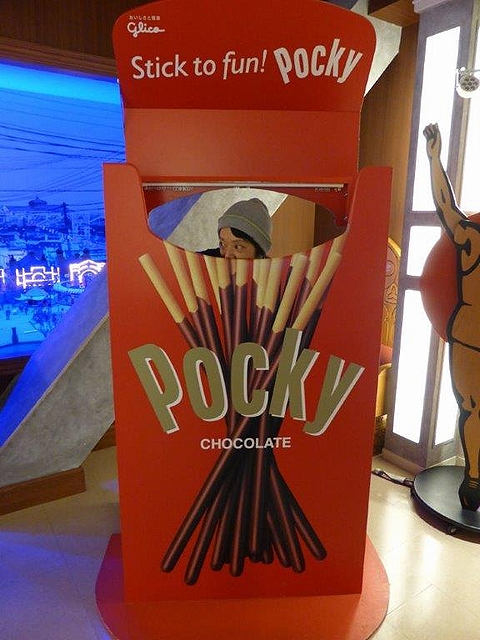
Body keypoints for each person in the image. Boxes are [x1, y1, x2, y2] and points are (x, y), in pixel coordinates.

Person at [424, 122, 480, 510]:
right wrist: (434, 160)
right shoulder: (472, 237)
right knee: (473, 408)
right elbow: (446, 207)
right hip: (469, 336)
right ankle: (474, 478)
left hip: (467, 335)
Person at [202, 198, 272, 259]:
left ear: (259, 253)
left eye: (238, 246)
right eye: (222, 244)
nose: (227, 256)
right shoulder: (206, 259)